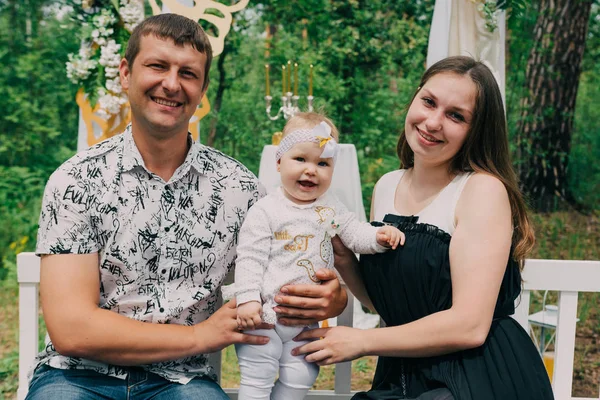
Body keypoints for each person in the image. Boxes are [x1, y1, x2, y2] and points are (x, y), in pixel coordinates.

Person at [27, 14, 347, 400]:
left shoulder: (240, 189)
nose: (172, 84)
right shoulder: (78, 180)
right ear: (126, 74)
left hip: (183, 381)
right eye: (158, 66)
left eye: (188, 73)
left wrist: (333, 296)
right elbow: (72, 330)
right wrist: (199, 335)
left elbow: (283, 263)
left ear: (202, 89)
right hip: (76, 376)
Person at [294, 56, 554, 400]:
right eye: (429, 102)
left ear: (476, 130)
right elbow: (393, 305)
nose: (433, 122)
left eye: (456, 115)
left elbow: (470, 326)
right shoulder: (387, 186)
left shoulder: (482, 190)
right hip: (403, 375)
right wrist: (344, 261)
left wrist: (362, 340)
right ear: (414, 98)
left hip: (476, 376)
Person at [233, 112, 405, 400]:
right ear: (278, 162)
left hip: (306, 323)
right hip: (266, 316)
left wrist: (379, 237)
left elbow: (353, 233)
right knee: (258, 372)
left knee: (302, 373)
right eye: (300, 159)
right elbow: (250, 257)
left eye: (322, 163)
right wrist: (248, 300)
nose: (311, 170)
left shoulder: (330, 208)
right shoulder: (266, 210)